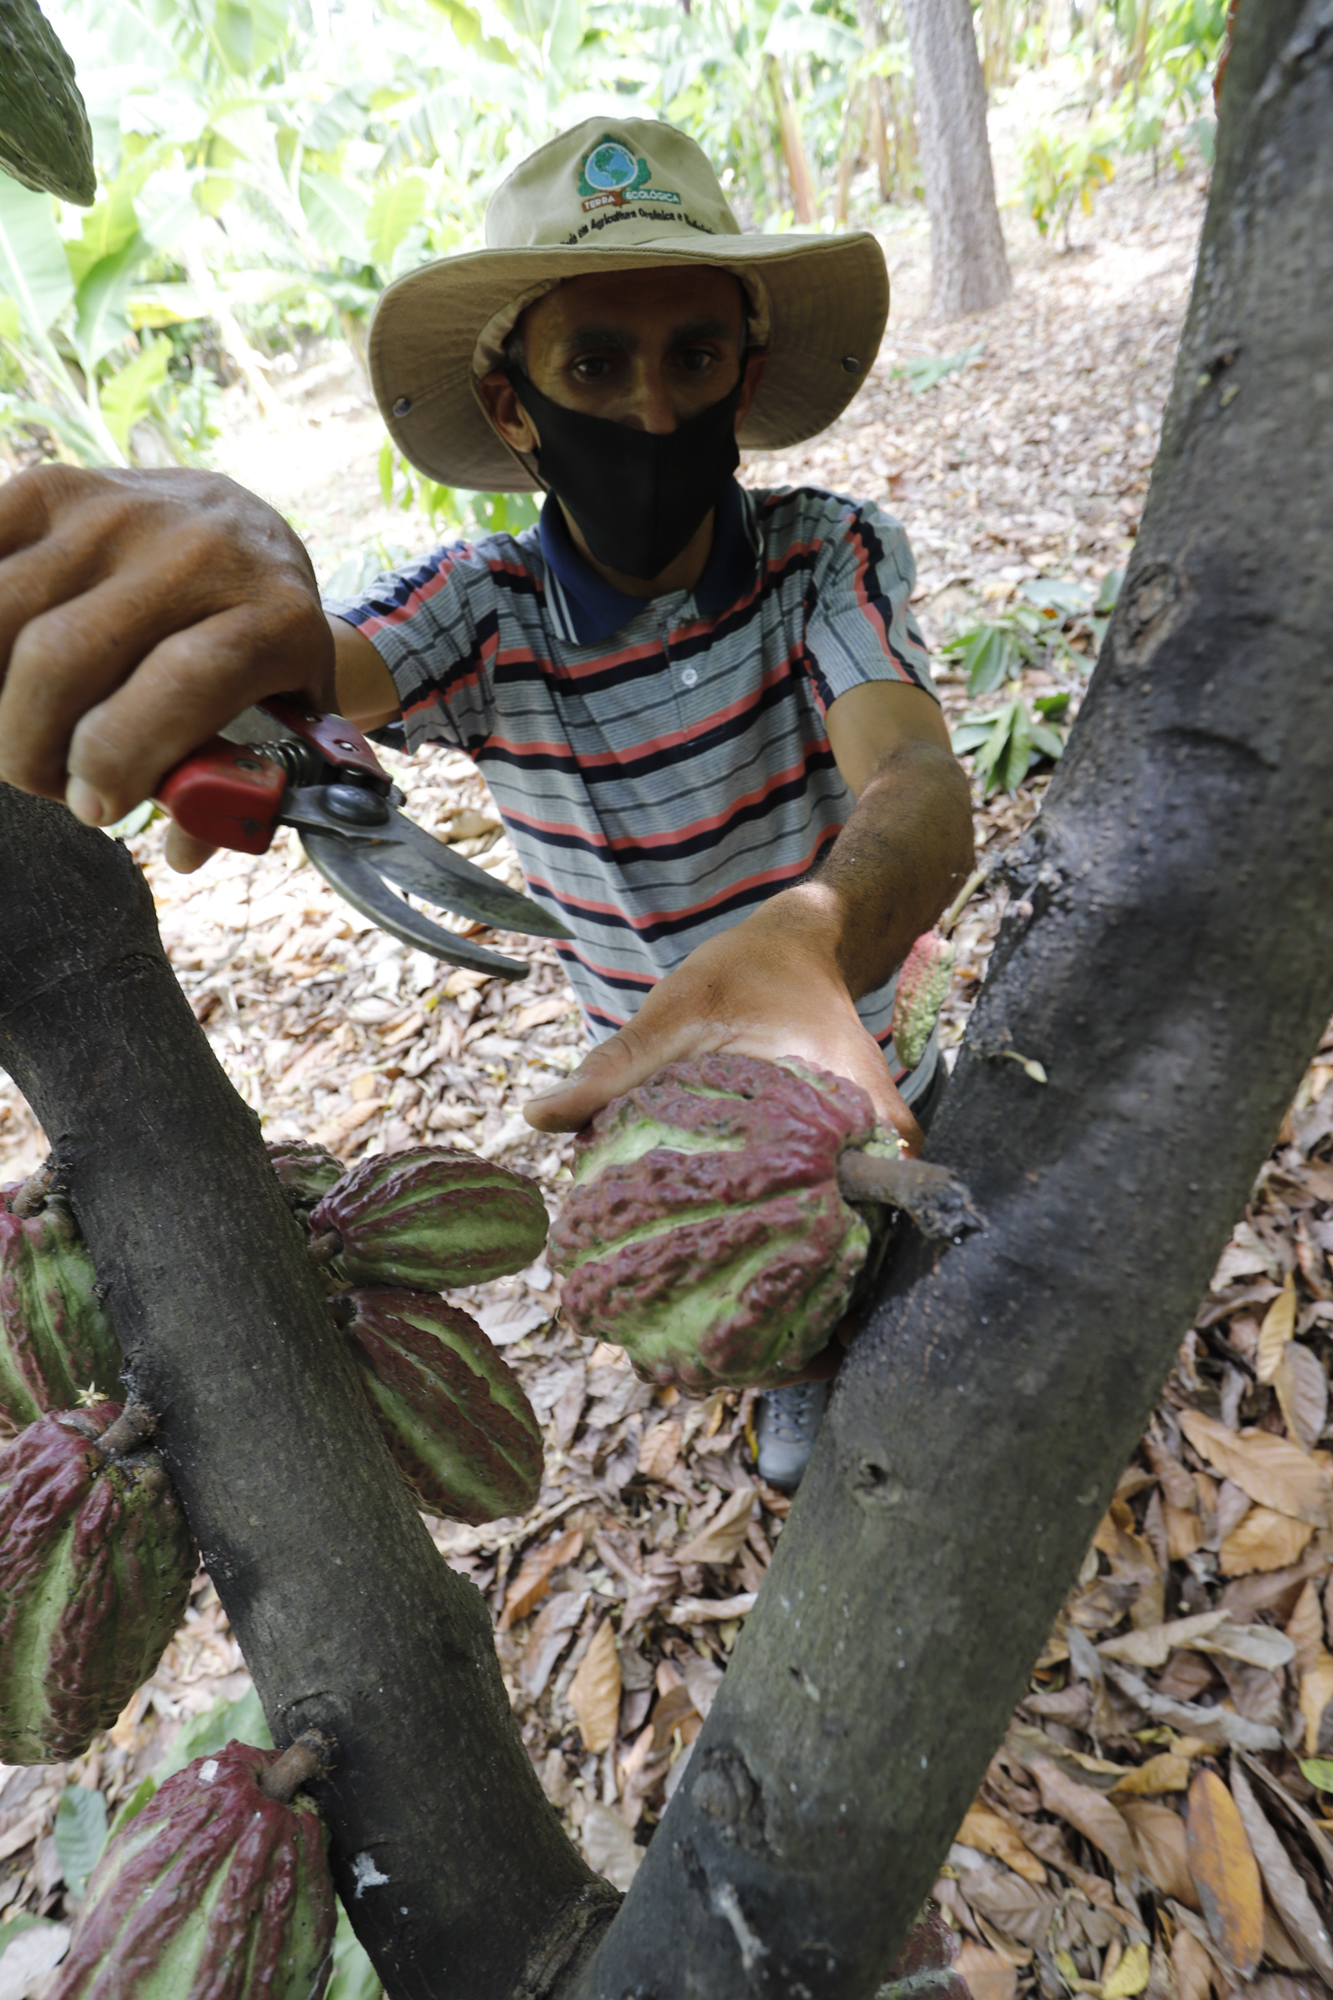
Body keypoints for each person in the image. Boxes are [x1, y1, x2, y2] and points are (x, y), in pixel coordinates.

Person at [0, 116, 973, 1487]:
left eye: (692, 356)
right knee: (776, 1285)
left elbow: (916, 778)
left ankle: (907, 1358)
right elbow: (320, 664)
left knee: (905, 1227)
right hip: (663, 1081)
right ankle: (803, 1379)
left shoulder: (821, 557)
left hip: (857, 1024)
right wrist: (238, 594)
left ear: (744, 377)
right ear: (514, 403)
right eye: (595, 362)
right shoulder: (482, 614)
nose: (648, 413)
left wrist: (815, 931)